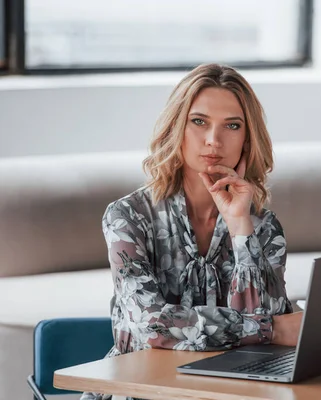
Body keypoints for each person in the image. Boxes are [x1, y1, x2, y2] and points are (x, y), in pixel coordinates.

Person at [82, 63, 302, 400]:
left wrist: (240, 224)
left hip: (231, 392)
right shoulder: (128, 216)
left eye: (231, 125)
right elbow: (151, 324)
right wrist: (268, 330)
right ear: (177, 128)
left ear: (246, 140)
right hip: (141, 392)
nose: (214, 140)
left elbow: (270, 316)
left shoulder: (263, 226)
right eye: (199, 122)